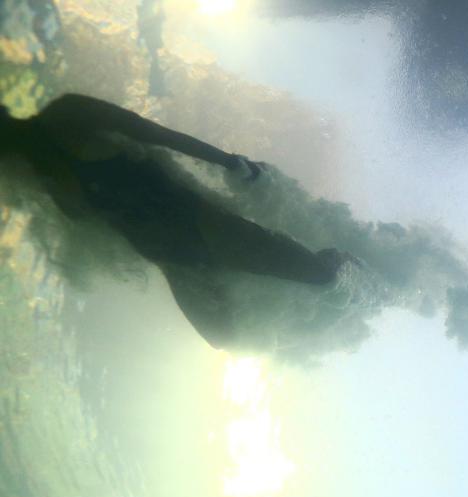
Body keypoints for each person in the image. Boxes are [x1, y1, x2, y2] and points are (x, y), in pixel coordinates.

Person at [0, 93, 353, 347]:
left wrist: (230, 162)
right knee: (224, 339)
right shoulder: (34, 176)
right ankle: (309, 321)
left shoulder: (68, 113)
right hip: (174, 261)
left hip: (203, 225)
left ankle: (350, 260)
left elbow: (156, 134)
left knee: (322, 276)